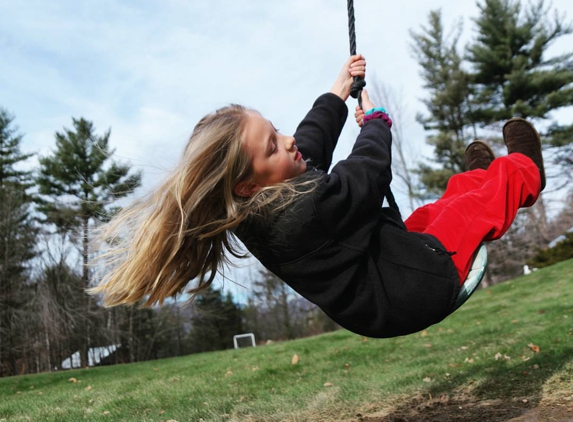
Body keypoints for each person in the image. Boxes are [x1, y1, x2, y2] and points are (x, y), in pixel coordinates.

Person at [90, 55, 545, 338]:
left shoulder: (260, 200)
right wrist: (376, 125)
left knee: (441, 210)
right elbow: (363, 175)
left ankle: (481, 176)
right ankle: (525, 169)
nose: (286, 141)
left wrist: (338, 91)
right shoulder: (304, 211)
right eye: (272, 145)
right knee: (471, 213)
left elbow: (308, 143)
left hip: (396, 263)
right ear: (248, 185)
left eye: (275, 130)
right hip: (414, 289)